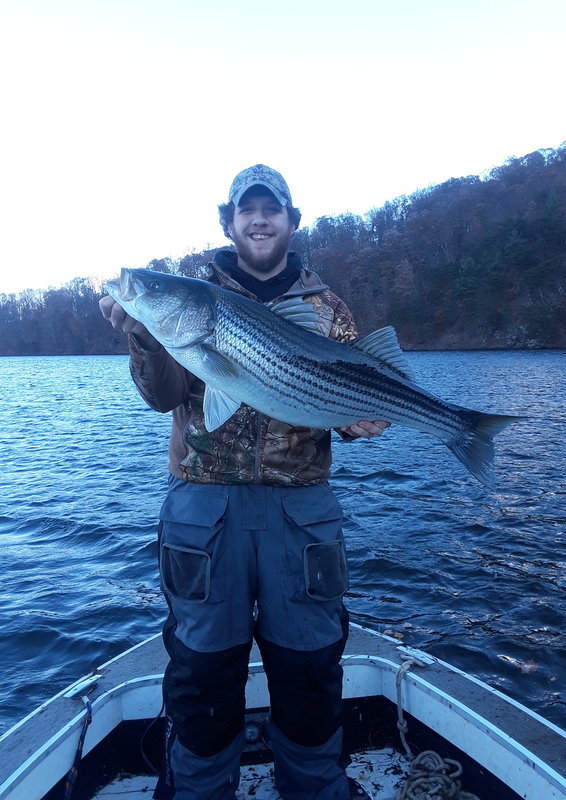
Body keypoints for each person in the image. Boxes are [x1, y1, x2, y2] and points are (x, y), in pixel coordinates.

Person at [100, 164, 389, 800]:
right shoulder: (193, 295)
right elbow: (164, 397)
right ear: (227, 221)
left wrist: (362, 419)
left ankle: (315, 788)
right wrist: (145, 338)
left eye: (272, 209)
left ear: (292, 221)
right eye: (247, 210)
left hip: (301, 515)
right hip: (205, 512)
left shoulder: (328, 308)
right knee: (202, 673)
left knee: (310, 669)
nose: (260, 219)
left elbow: (345, 401)